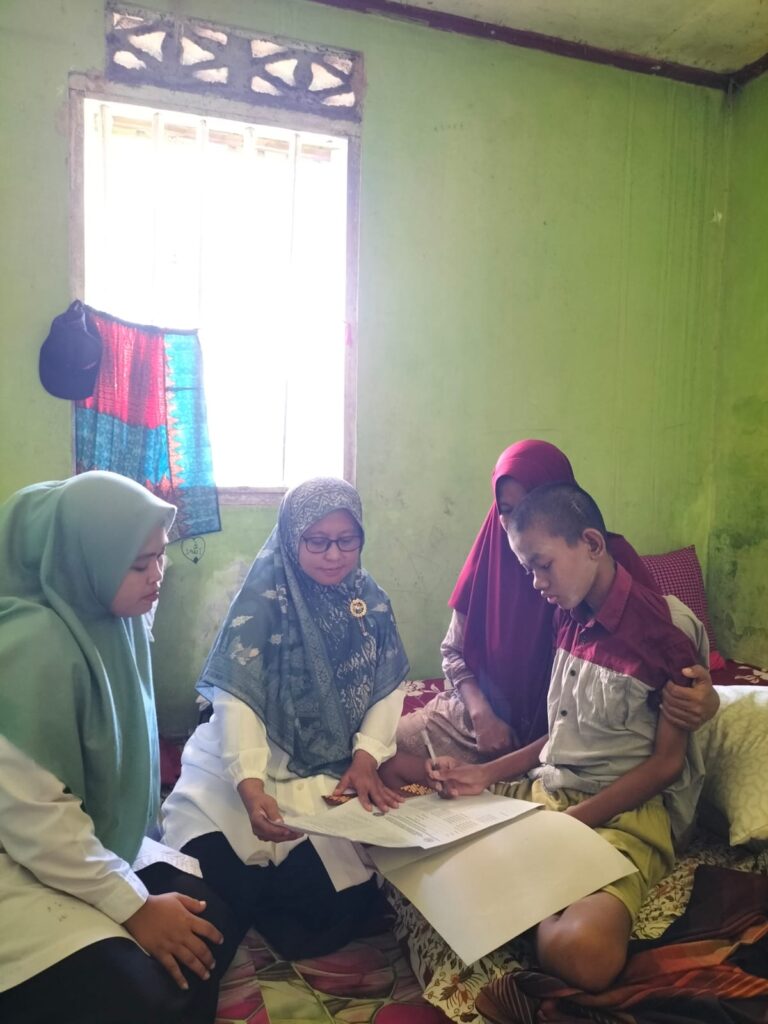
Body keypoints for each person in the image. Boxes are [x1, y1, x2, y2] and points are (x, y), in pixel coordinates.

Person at [431, 482, 710, 993]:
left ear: (592, 544)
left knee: (584, 954)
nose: (537, 584)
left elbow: (667, 765)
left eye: (543, 565)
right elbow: (558, 734)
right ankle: (531, 891)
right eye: (528, 570)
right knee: (424, 833)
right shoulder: (567, 614)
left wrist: (570, 827)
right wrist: (484, 774)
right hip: (550, 794)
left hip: (622, 816)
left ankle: (525, 902)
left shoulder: (667, 629)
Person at [0, 471, 240, 1024]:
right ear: (84, 561)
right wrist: (133, 907)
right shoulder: (28, 649)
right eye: (138, 564)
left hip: (91, 840)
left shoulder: (111, 619)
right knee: (146, 995)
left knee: (210, 923)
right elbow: (35, 821)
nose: (157, 576)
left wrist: (138, 903)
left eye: (161, 556)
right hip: (21, 857)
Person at [161, 477, 410, 961]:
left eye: (347, 540)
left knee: (326, 913)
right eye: (316, 541)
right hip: (237, 772)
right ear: (292, 537)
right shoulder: (261, 603)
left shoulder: (371, 601)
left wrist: (365, 759)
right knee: (213, 894)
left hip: (323, 771)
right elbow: (238, 699)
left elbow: (388, 684)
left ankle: (270, 896)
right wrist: (250, 786)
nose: (333, 555)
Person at [395, 440, 717, 768]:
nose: (520, 522)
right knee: (382, 753)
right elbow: (453, 650)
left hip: (572, 744)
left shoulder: (601, 564)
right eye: (507, 509)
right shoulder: (490, 557)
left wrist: (705, 698)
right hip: (480, 726)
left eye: (532, 504)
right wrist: (481, 715)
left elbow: (659, 652)